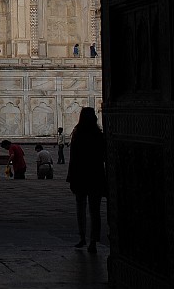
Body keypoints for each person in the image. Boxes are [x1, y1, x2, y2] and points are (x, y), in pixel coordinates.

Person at [66, 106, 107, 253]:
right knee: (95, 211)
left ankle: (82, 237)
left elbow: (74, 158)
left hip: (81, 175)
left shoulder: (78, 134)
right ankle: (93, 242)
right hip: (95, 175)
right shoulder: (98, 135)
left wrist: (71, 177)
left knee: (81, 208)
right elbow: (104, 156)